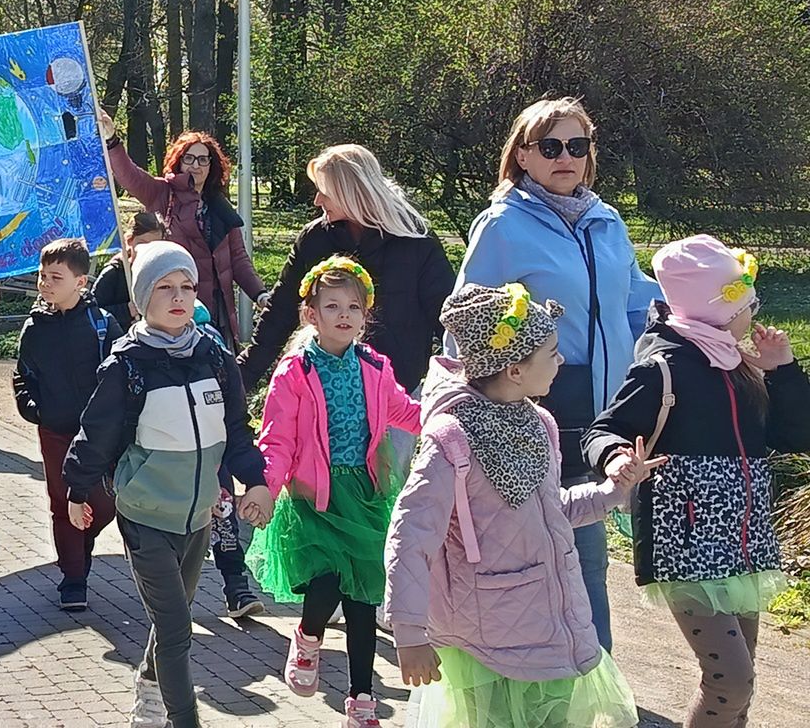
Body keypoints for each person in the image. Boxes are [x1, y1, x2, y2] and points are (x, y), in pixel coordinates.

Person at [384, 282, 655, 728]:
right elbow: (411, 536)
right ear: (514, 368)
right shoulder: (450, 437)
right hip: (486, 637)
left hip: (548, 622)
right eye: (551, 352)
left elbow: (552, 511)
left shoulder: (538, 422)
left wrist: (611, 489)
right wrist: (409, 633)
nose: (562, 361)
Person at [448, 96, 660, 651]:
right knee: (580, 550)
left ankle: (578, 670)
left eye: (577, 146)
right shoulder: (503, 225)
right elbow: (465, 317)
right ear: (522, 156)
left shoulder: (606, 220)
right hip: (541, 404)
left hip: (612, 405)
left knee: (586, 544)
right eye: (550, 147)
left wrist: (666, 347)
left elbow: (637, 301)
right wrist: (475, 402)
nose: (565, 157)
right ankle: (590, 674)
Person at [585, 236, 810, 728]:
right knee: (730, 681)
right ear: (718, 310)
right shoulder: (662, 367)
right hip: (684, 542)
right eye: (747, 304)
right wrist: (616, 456)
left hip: (741, 540)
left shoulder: (737, 361)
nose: (753, 312)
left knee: (739, 685)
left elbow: (798, 436)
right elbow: (603, 430)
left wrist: (784, 371)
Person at [63, 241, 272, 728]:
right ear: (140, 299)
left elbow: (237, 431)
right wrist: (78, 490)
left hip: (200, 515)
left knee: (168, 623)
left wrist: (256, 482)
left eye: (187, 287)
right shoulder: (127, 365)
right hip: (145, 518)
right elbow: (95, 435)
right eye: (164, 287)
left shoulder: (216, 357)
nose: (179, 297)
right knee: (178, 628)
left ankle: (150, 688)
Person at [247, 257, 421, 722]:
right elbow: (277, 440)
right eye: (332, 306)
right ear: (312, 315)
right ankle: (307, 634)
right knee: (325, 581)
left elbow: (404, 412)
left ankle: (362, 700)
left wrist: (449, 414)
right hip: (314, 498)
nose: (344, 315)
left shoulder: (374, 367)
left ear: (366, 315)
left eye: (354, 307)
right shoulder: (296, 373)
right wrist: (265, 487)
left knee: (363, 598)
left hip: (363, 496)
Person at [240, 144, 454, 396]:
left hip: (395, 395)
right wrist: (241, 379)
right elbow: (280, 313)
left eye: (324, 191)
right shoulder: (314, 239)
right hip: (324, 391)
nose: (317, 200)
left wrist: (474, 381)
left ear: (350, 192)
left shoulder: (415, 239)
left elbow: (447, 316)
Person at [14, 237, 124, 612]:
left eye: (55, 277)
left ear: (80, 281)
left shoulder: (103, 325)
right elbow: (22, 375)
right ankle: (73, 579)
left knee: (104, 504)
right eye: (42, 276)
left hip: (99, 433)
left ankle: (79, 544)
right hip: (56, 430)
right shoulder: (35, 327)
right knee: (63, 502)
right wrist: (32, 408)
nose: (45, 284)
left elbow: (124, 374)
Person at [97, 109, 266, 344]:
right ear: (178, 161)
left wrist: (261, 294)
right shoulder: (161, 193)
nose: (195, 165)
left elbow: (238, 259)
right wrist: (112, 140)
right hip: (172, 312)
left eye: (203, 159)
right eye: (189, 158)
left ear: (211, 166)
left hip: (217, 314)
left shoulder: (221, 208)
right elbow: (128, 175)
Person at [92, 210, 167, 331]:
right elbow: (92, 313)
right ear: (129, 241)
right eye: (142, 243)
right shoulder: (114, 273)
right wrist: (127, 311)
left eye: (154, 245)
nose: (147, 250)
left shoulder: (163, 274)